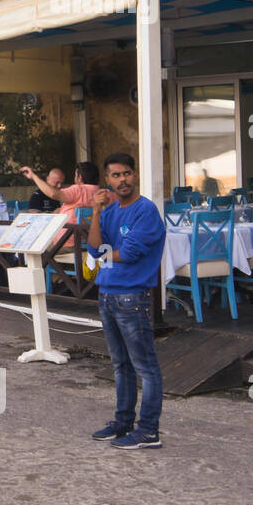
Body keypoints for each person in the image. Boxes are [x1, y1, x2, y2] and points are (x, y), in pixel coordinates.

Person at [88, 153, 167, 450]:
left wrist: (106, 254)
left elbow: (130, 253)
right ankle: (123, 422)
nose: (123, 180)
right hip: (107, 295)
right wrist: (95, 211)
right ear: (107, 181)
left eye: (127, 173)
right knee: (120, 365)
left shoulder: (145, 210)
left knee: (145, 367)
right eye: (116, 175)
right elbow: (95, 249)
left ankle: (148, 430)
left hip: (132, 296)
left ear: (135, 176)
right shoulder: (109, 212)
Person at [21, 162, 100, 220]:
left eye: (61, 183)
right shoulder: (104, 193)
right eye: (56, 182)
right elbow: (35, 219)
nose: (59, 186)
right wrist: (53, 214)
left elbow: (53, 194)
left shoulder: (75, 191)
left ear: (80, 178)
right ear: (47, 179)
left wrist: (33, 176)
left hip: (69, 237)